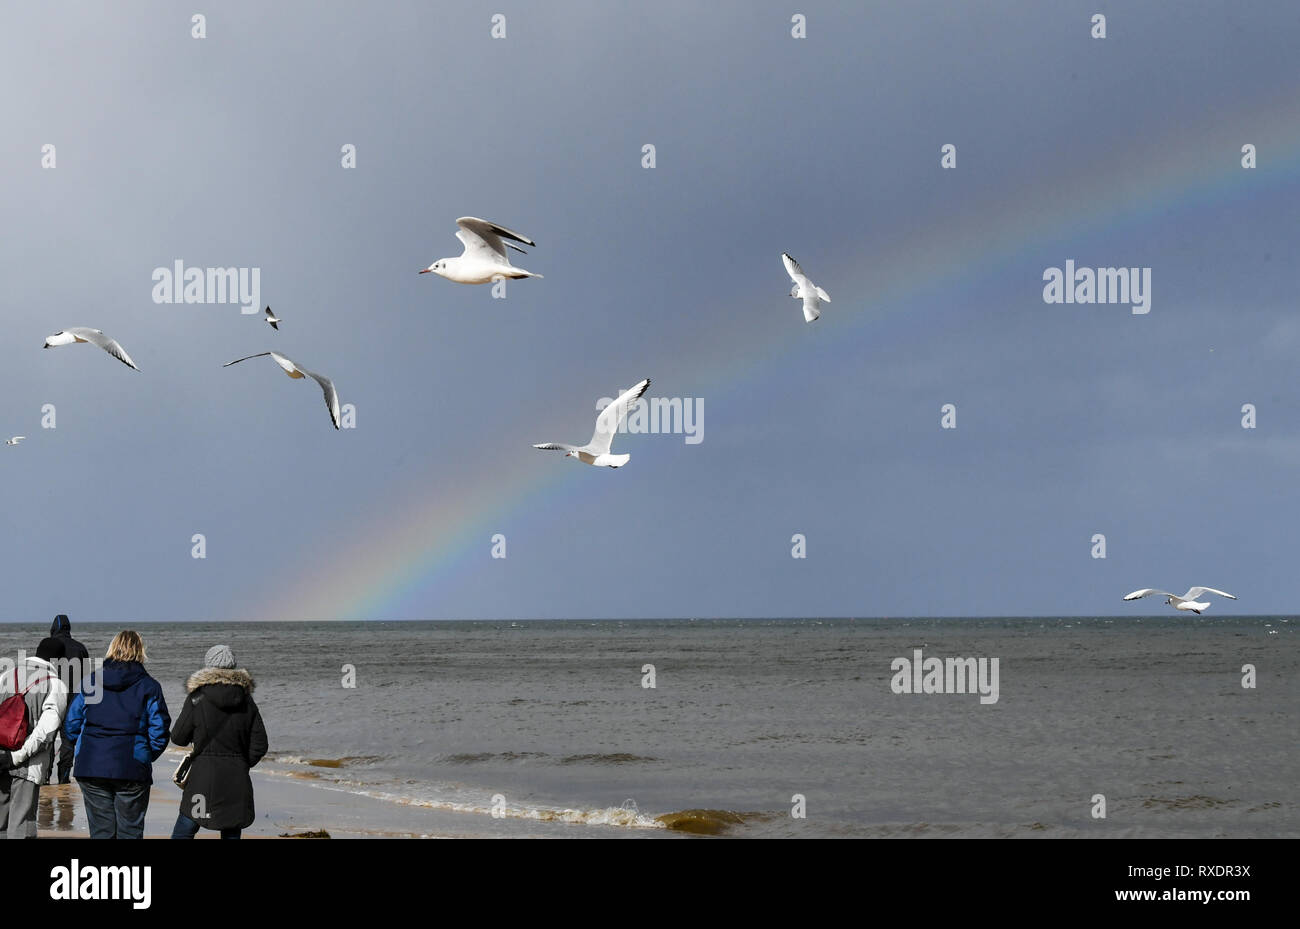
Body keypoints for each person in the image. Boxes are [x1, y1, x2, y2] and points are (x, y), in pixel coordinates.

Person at [64, 631, 170, 839]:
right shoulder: (149, 686)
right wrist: (145, 755)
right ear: (140, 651)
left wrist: (84, 749)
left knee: (102, 833)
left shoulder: (92, 681)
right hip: (131, 765)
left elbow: (71, 723)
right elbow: (159, 730)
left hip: (92, 763)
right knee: (130, 832)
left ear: (112, 649)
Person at [170, 645, 267, 839]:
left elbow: (178, 736)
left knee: (187, 825)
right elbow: (260, 744)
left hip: (202, 776)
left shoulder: (197, 698)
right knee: (231, 826)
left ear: (208, 667)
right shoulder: (246, 700)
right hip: (235, 777)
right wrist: (241, 763)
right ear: (233, 668)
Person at [0, 638, 70, 838]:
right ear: (58, 661)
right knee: (22, 827)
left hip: (0, 758)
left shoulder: (6, 675)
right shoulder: (54, 684)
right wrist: (17, 757)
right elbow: (46, 731)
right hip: (27, 766)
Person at [47, 615, 90, 784]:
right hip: (73, 701)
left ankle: (44, 777)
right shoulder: (80, 648)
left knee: (47, 739)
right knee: (68, 740)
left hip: (51, 699)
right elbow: (87, 680)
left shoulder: (48, 646)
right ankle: (64, 777)